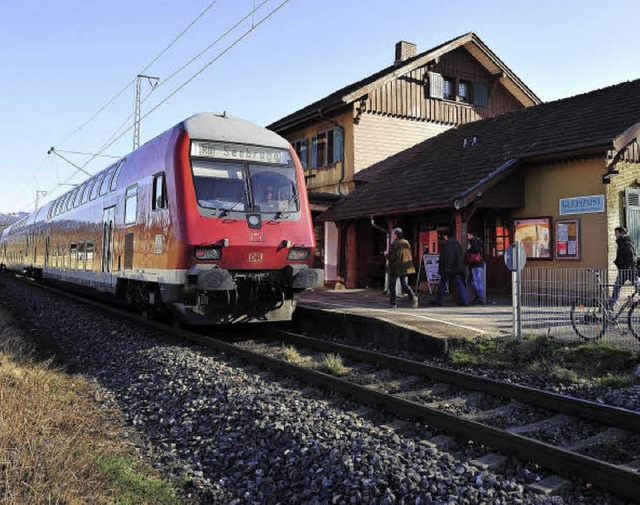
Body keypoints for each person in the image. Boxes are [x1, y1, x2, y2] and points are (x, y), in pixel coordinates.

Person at [432, 229, 468, 306]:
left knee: (443, 284)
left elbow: (445, 257)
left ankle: (439, 300)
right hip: (457, 267)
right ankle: (464, 300)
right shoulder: (457, 243)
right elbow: (460, 255)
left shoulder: (446, 245)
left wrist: (442, 268)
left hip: (448, 267)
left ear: (446, 236)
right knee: (460, 283)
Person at [387, 228, 419, 308]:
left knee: (392, 284)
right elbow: (409, 252)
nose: (393, 235)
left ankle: (393, 303)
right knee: (404, 283)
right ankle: (413, 297)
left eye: (394, 234)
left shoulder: (394, 244)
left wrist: (386, 255)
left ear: (397, 235)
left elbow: (392, 257)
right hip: (405, 266)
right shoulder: (406, 242)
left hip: (396, 267)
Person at [610, 226, 637, 308]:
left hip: (629, 270)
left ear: (622, 233)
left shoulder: (627, 243)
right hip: (623, 269)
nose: (615, 235)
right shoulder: (621, 242)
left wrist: (626, 268)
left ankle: (613, 303)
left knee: (637, 285)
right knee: (617, 286)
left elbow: (631, 258)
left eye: (616, 233)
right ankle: (613, 304)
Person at [466, 231, 485, 305]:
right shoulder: (479, 241)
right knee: (470, 280)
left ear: (471, 235)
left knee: (477, 281)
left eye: (468, 235)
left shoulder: (473, 241)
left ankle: (481, 297)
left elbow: (476, 250)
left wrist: (469, 249)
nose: (467, 237)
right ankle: (478, 296)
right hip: (475, 264)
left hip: (475, 264)